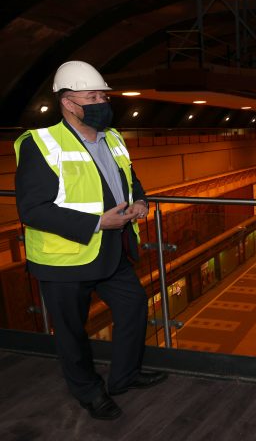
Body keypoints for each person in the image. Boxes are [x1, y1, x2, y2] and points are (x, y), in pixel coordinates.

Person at [14, 61, 167, 421]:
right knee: (71, 333)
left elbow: (132, 179)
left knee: (134, 307)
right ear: (68, 102)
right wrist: (98, 222)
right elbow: (33, 210)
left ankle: (124, 377)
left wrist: (141, 200)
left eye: (103, 95)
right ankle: (89, 391)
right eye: (93, 96)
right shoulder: (41, 144)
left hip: (112, 252)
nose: (102, 102)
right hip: (65, 259)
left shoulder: (113, 138)